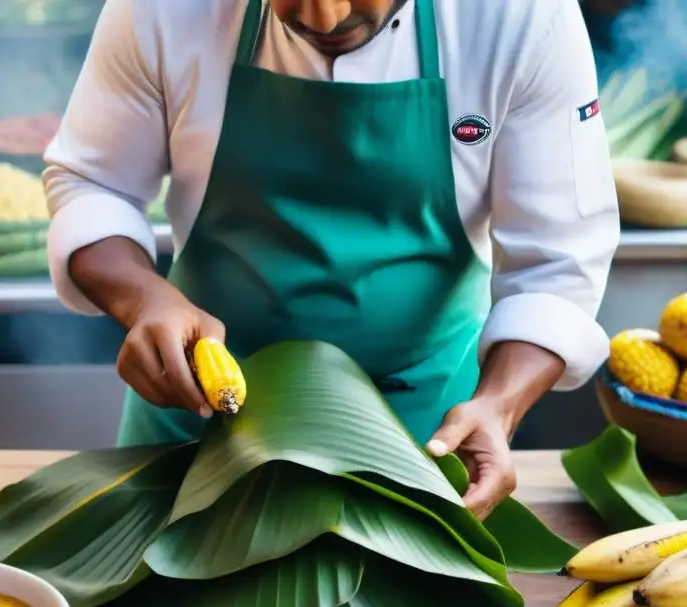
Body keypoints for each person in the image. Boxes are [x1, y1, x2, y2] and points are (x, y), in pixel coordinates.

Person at [43, 0, 619, 516]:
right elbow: (94, 185)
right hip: (196, 426)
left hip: (420, 441)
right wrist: (146, 301)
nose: (321, 17)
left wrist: (497, 406)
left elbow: (557, 262)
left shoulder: (522, 18)